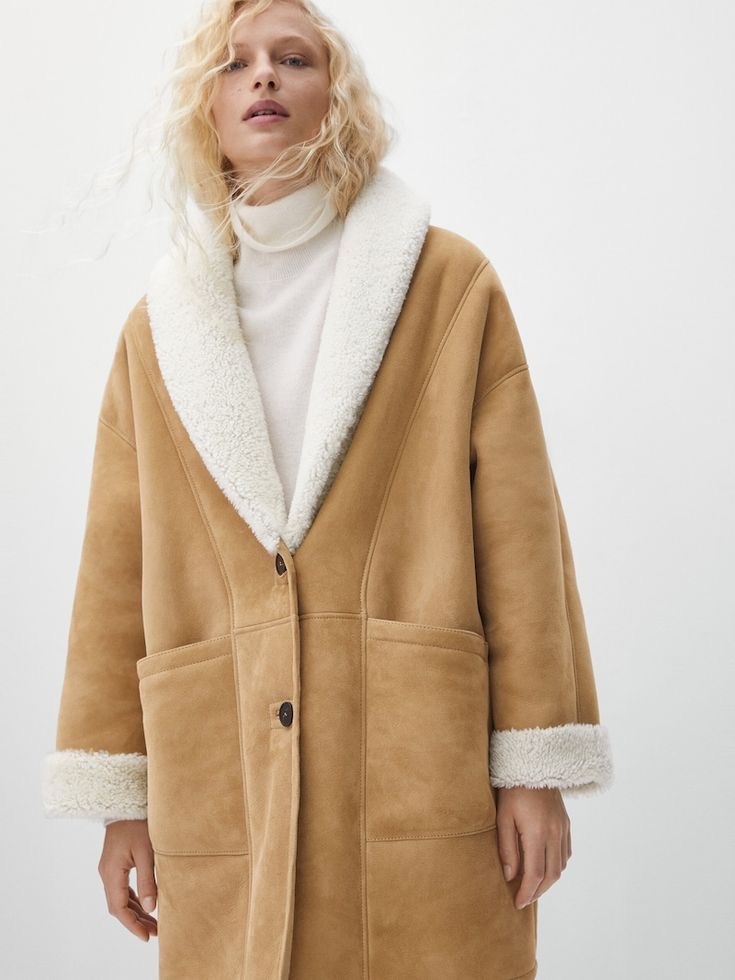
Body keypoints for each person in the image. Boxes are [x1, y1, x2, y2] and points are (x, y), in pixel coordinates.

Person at [41, 1, 614, 977]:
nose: (262, 76)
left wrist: (534, 767)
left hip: (417, 758)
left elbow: (520, 536)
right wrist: (120, 800)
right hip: (217, 773)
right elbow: (113, 570)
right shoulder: (159, 331)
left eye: (292, 58)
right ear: (206, 109)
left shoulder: (446, 285)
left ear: (336, 97)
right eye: (233, 64)